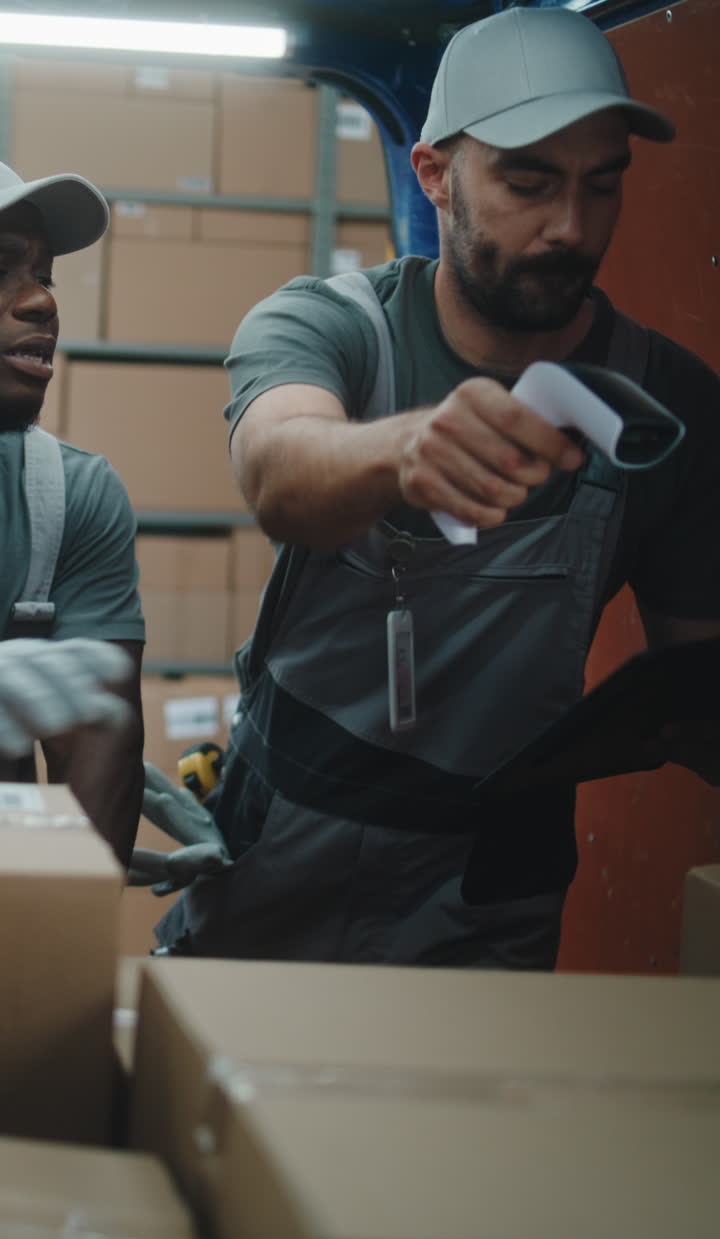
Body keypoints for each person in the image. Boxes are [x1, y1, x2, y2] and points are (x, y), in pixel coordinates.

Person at [152, 6, 720, 966]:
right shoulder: (329, 328)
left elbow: (697, 680)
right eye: (528, 183)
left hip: (494, 888)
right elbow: (281, 471)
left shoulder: (666, 406)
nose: (570, 228)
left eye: (601, 185)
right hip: (289, 847)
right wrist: (401, 451)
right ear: (435, 175)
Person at [0, 161, 145, 866]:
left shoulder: (66, 497)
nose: (39, 303)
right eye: (1, 268)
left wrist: (73, 908)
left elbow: (98, 744)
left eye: (44, 277)